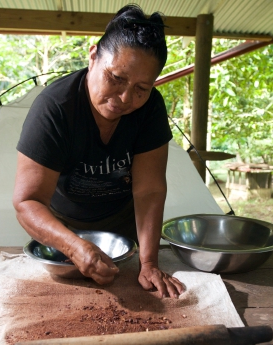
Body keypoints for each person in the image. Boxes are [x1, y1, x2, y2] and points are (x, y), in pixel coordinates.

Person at [13, 5, 185, 298]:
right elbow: (27, 202)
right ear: (93, 56)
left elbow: (149, 191)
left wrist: (149, 262)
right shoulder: (55, 108)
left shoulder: (151, 108)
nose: (125, 98)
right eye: (116, 78)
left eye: (141, 88)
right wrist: (74, 246)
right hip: (63, 230)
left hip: (123, 230)